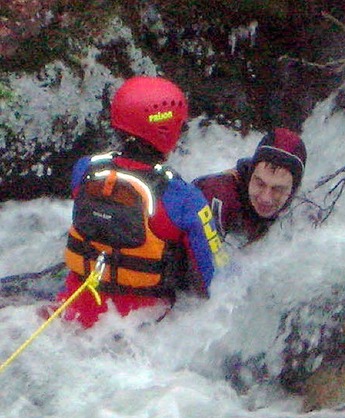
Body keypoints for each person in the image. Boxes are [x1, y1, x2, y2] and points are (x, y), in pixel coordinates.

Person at [55, 75, 225, 328]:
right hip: (142, 328)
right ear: (167, 130)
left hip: (71, 314)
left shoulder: (85, 170)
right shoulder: (185, 199)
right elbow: (209, 278)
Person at [193, 128, 306, 247]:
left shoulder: (302, 212)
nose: (265, 198)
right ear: (250, 174)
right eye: (260, 184)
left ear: (294, 189)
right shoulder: (216, 194)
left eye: (278, 189)